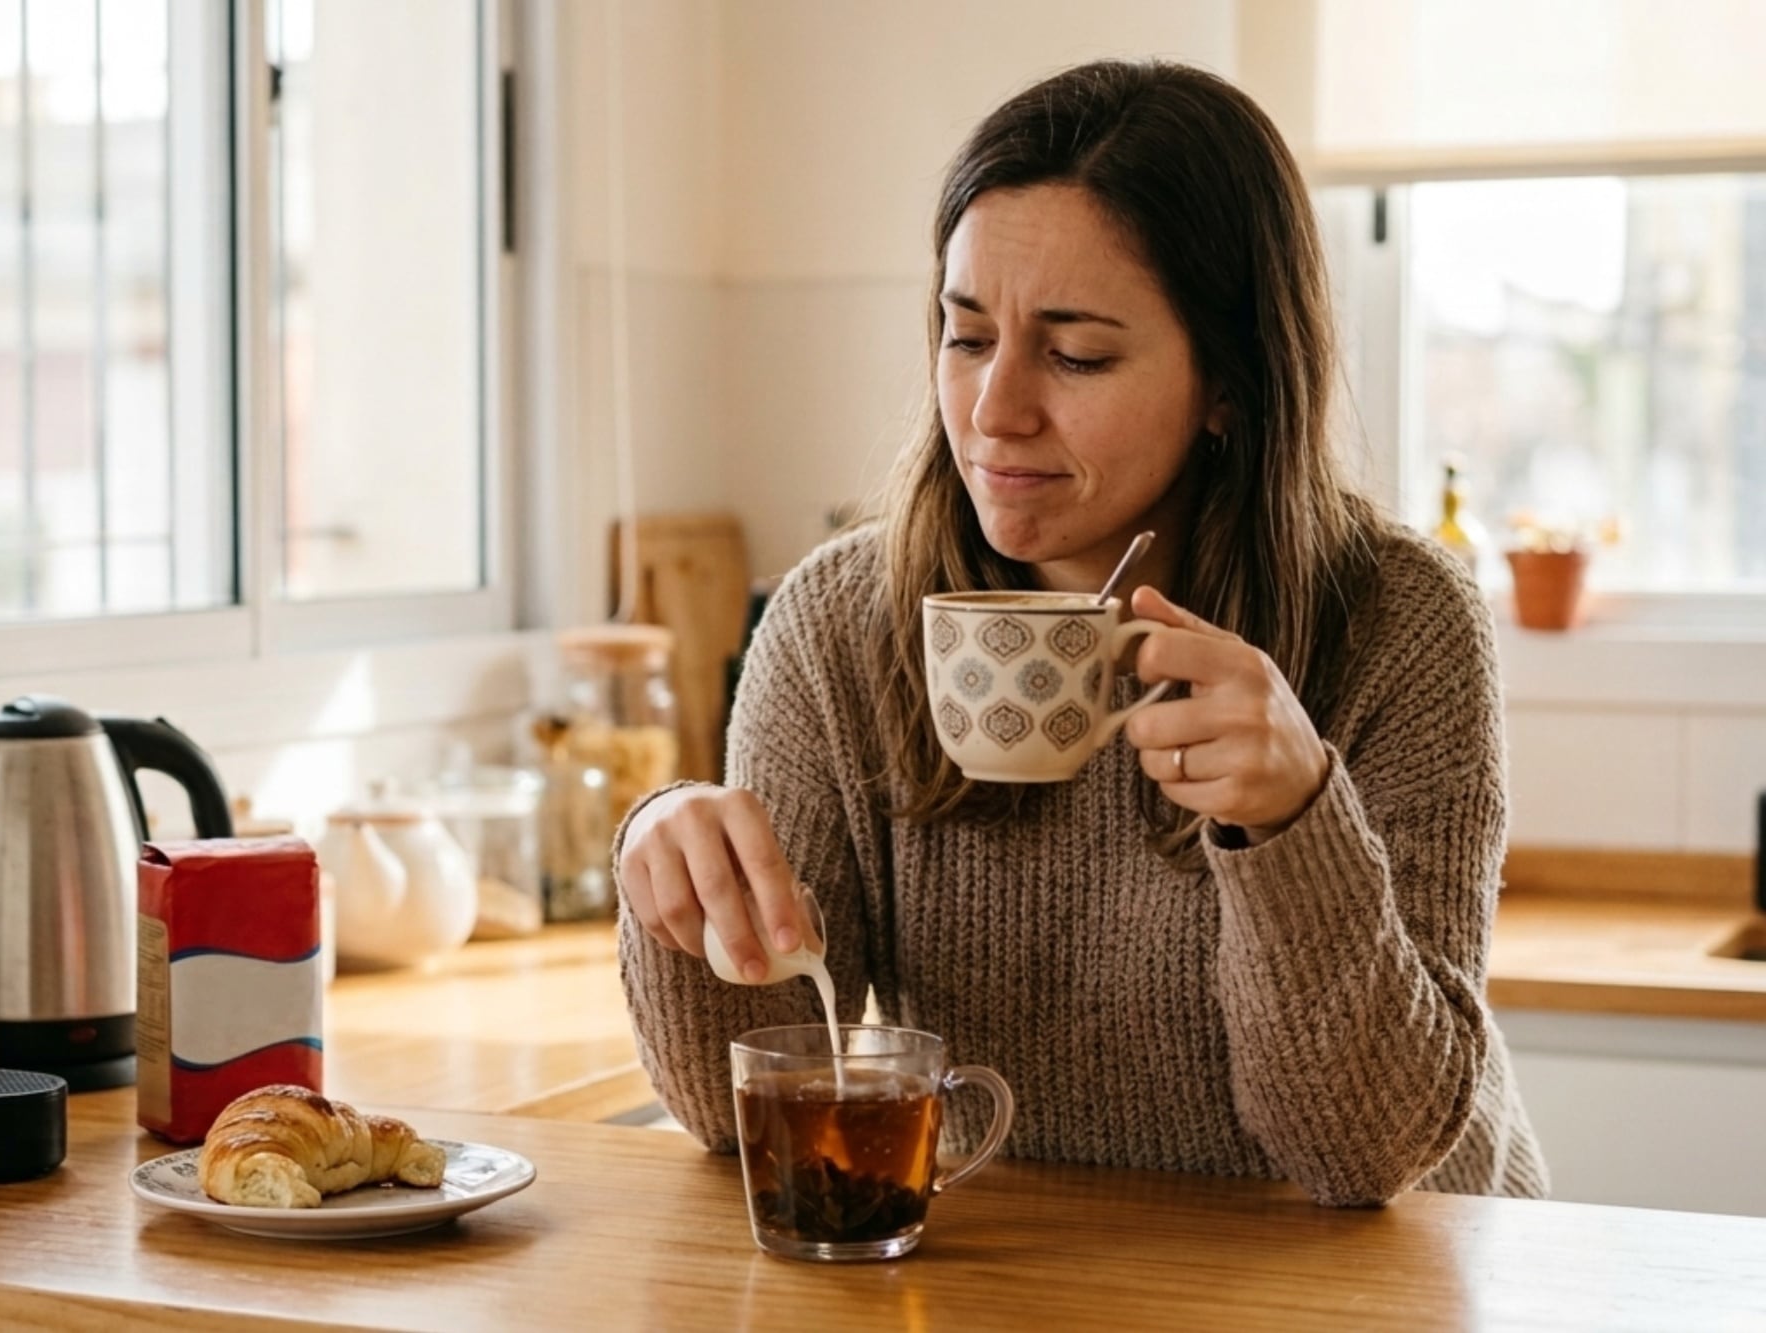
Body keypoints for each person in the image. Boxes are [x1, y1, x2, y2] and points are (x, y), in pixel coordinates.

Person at [614, 59, 1547, 1207]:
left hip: (1387, 1283)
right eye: (964, 338)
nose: (994, 411)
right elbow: (734, 1112)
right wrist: (671, 866)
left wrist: (1295, 821)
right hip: (1031, 1284)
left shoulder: (1398, 624)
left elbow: (1361, 1159)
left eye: (1076, 354)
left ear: (1229, 383)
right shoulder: (836, 627)